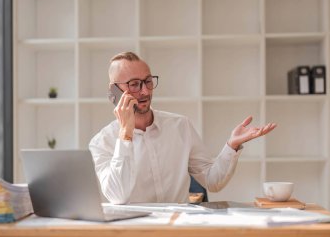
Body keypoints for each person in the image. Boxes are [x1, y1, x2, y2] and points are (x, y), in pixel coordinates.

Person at [89, 52, 276, 204]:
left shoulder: (180, 126)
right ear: (115, 91)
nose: (145, 91)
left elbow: (213, 181)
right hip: (134, 231)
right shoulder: (102, 142)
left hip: (178, 227)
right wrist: (125, 134)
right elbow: (118, 196)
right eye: (134, 84)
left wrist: (232, 145)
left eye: (147, 81)